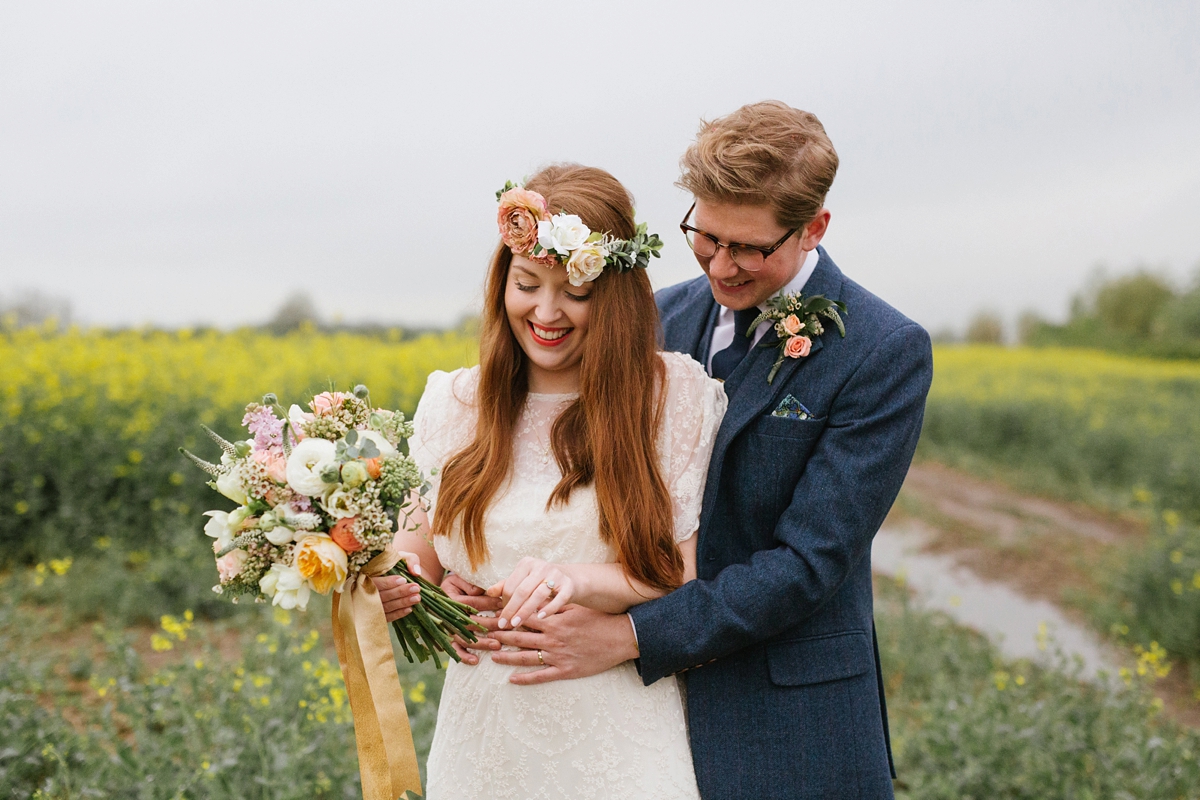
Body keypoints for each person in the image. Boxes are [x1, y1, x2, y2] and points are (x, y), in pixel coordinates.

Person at [479, 102, 934, 799]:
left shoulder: (882, 351)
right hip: (630, 721)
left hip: (788, 720)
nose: (721, 264)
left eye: (749, 248)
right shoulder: (653, 316)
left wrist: (632, 635)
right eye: (705, 234)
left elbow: (807, 564)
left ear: (814, 228)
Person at [373, 163, 727, 798]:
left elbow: (679, 572)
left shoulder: (670, 398)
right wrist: (405, 585)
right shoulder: (454, 402)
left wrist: (578, 581)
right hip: (483, 739)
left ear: (614, 296)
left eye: (575, 292)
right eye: (526, 284)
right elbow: (417, 546)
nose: (545, 311)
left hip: (619, 733)